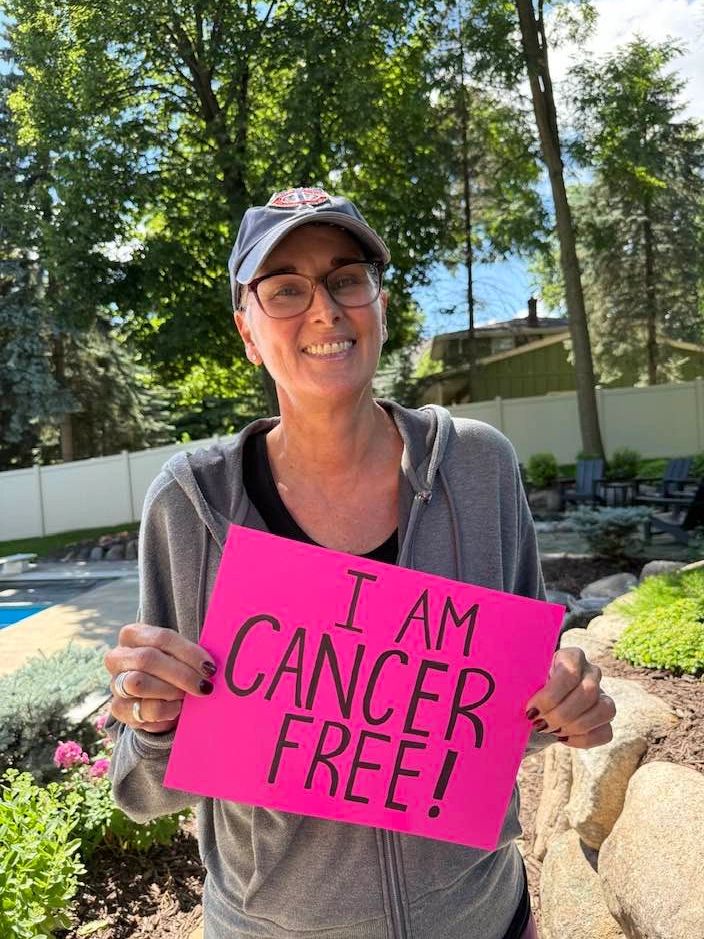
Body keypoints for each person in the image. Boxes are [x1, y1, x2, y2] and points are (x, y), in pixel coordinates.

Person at [105, 186, 615, 939]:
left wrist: (564, 704)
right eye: (285, 289)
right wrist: (151, 722)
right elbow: (143, 792)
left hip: (480, 918)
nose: (325, 310)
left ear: (379, 305)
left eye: (347, 279)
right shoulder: (191, 504)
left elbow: (505, 718)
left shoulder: (478, 467)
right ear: (248, 332)